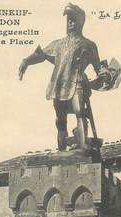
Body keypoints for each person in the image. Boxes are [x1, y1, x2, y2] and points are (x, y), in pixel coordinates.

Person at [18, 3, 113, 152]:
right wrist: (26, 61)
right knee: (60, 120)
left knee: (80, 112)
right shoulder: (58, 44)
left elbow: (98, 66)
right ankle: (62, 149)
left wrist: (105, 74)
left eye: (73, 19)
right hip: (59, 85)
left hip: (78, 82)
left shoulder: (89, 45)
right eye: (68, 19)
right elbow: (41, 54)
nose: (70, 23)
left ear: (81, 22)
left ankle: (82, 145)